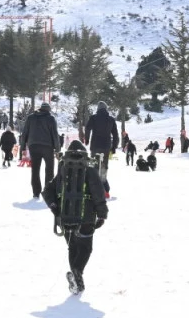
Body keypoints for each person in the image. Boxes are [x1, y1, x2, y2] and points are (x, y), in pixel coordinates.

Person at [45, 141, 109, 294]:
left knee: (72, 246)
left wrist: (54, 207)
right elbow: (98, 193)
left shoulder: (62, 169)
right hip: (86, 217)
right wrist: (102, 214)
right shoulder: (90, 170)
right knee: (85, 248)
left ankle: (76, 279)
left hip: (65, 217)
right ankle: (77, 273)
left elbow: (48, 190)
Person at [20, 102, 61, 199]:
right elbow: (55, 135)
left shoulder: (31, 117)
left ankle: (36, 192)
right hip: (48, 147)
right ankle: (47, 192)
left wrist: (22, 148)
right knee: (49, 170)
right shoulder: (50, 119)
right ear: (48, 110)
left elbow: (24, 133)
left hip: (33, 146)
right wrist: (57, 150)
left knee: (35, 170)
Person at [84, 100, 118, 195]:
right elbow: (115, 134)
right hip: (106, 147)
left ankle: (92, 187)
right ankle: (105, 189)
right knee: (104, 167)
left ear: (98, 109)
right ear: (106, 109)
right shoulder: (111, 119)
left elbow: (87, 128)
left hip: (95, 146)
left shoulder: (93, 118)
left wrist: (86, 139)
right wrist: (114, 146)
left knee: (93, 166)